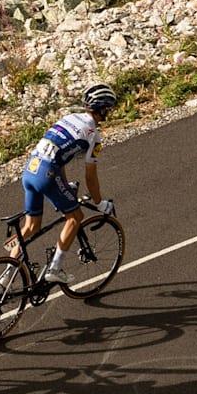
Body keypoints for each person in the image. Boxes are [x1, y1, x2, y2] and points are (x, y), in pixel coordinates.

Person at [17, 84, 117, 279]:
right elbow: (90, 177)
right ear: (103, 109)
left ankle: (6, 275)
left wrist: (65, 185)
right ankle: (55, 269)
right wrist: (99, 203)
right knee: (75, 217)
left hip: (30, 169)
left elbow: (58, 155)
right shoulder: (93, 136)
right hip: (47, 175)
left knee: (30, 227)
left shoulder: (68, 118)